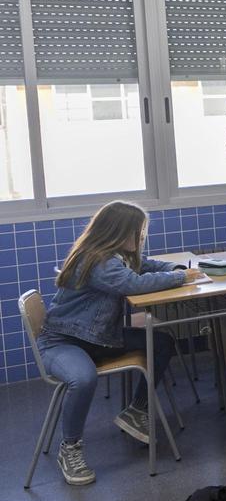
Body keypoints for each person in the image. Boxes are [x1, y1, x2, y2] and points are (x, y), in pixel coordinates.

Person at [37, 200, 205, 486]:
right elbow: (133, 284)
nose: (140, 237)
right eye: (137, 232)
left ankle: (137, 410)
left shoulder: (116, 255)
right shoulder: (98, 261)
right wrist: (179, 277)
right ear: (117, 231)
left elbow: (145, 265)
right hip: (63, 342)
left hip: (99, 338)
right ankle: (70, 448)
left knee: (162, 342)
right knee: (83, 378)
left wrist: (176, 268)